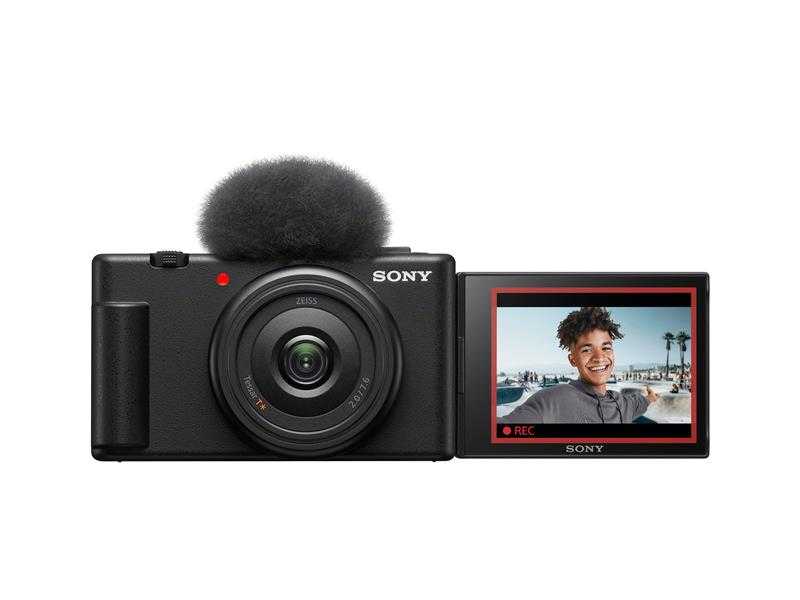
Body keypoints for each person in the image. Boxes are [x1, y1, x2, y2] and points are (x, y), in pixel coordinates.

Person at [500, 306, 660, 424]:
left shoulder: (621, 403)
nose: (599, 358)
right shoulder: (552, 400)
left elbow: (640, 402)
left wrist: (651, 397)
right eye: (587, 350)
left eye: (606, 348)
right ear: (573, 360)